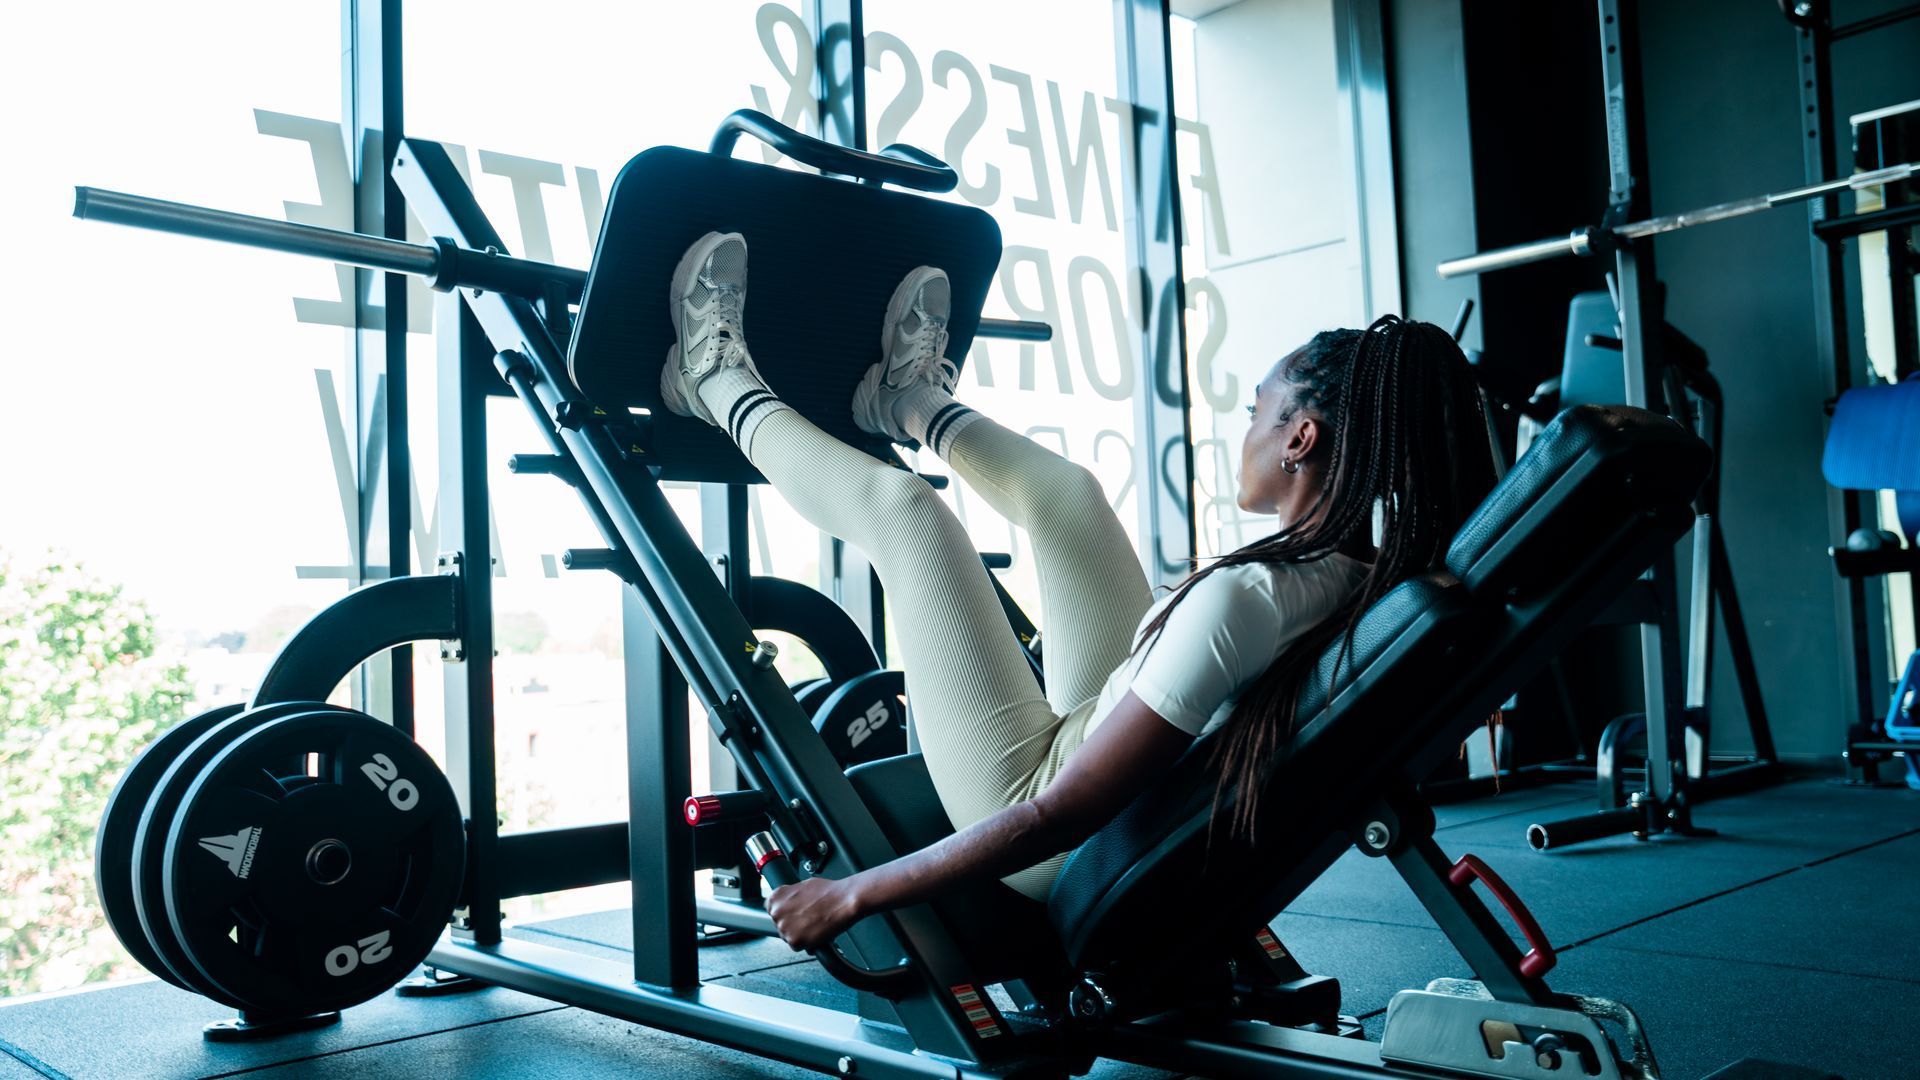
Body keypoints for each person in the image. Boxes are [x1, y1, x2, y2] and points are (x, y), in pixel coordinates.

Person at [657, 232, 1496, 952]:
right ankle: (907, 401)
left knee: (910, 515)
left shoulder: (1247, 600)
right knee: (1072, 497)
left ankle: (711, 381)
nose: (1244, 429)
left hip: (1040, 806)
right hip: (1111, 728)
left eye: (1256, 411)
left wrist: (853, 893)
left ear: (1300, 439)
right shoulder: (1369, 575)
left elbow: (1054, 816)